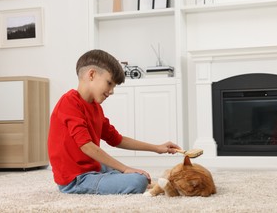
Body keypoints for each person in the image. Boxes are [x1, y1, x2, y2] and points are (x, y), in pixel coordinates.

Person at [48, 49, 181, 195]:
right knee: (138, 181)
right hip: (76, 179)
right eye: (109, 83)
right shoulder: (69, 103)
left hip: (93, 168)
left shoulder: (96, 108)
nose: (111, 91)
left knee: (139, 176)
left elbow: (117, 139)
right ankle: (111, 177)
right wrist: (124, 169)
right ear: (91, 75)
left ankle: (110, 176)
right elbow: (86, 146)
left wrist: (157, 148)